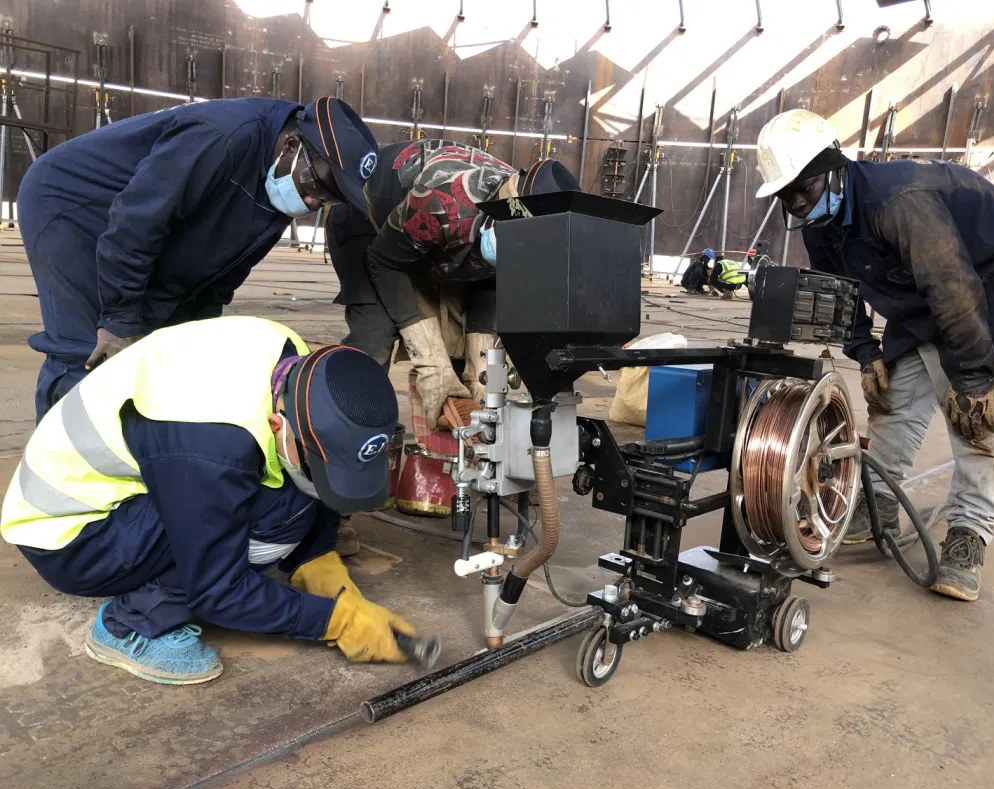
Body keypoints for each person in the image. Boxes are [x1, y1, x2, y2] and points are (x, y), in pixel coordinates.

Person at [0, 316, 416, 684]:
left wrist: (317, 557)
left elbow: (303, 461)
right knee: (278, 511)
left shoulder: (300, 370)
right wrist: (335, 621)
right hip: (71, 534)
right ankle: (130, 625)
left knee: (294, 478)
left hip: (147, 473)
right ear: (278, 423)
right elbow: (218, 591)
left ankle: (297, 545)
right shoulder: (209, 444)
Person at [754, 108, 994, 602]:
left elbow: (953, 286)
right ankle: (878, 507)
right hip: (921, 294)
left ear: (833, 167)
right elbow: (841, 289)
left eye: (802, 190)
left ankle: (968, 535)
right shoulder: (821, 219)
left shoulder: (900, 199)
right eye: (785, 197)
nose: (796, 206)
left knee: (978, 423)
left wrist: (974, 380)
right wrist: (864, 350)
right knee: (890, 399)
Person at [18, 95, 378, 423]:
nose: (314, 204)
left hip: (137, 222)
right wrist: (118, 318)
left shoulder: (284, 178)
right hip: (73, 207)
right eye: (317, 187)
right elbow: (135, 224)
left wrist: (193, 334)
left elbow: (224, 271)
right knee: (94, 353)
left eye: (328, 199)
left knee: (160, 353)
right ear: (291, 145)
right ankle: (57, 469)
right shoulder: (220, 137)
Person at [327, 140, 580, 429]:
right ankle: (349, 426)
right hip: (367, 221)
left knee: (458, 352)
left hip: (431, 237)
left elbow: (492, 281)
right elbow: (385, 261)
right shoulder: (443, 200)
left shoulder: (539, 234)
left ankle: (452, 448)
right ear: (503, 213)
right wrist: (430, 362)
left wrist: (481, 364)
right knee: (376, 335)